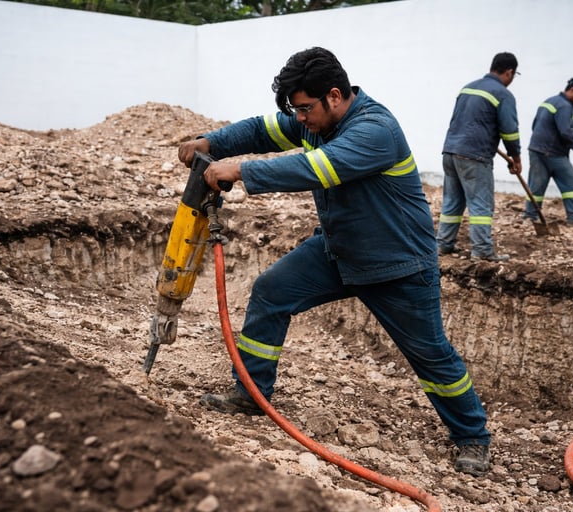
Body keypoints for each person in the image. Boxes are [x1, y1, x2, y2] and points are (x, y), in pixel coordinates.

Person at [177, 47, 492, 477]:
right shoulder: (315, 119)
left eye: (305, 109)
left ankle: (472, 436)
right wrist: (212, 142)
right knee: (271, 292)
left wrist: (243, 172)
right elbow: (262, 129)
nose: (299, 118)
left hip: (397, 265)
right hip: (338, 250)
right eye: (296, 109)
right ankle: (251, 393)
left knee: (430, 355)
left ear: (335, 95)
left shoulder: (376, 130)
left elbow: (319, 169)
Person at [437, 52, 522, 262]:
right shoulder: (503, 94)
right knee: (481, 204)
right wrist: (516, 158)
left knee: (452, 202)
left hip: (450, 151)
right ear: (510, 72)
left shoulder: (468, 87)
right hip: (475, 155)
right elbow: (510, 131)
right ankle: (482, 250)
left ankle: (443, 245)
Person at [523, 76, 573, 226]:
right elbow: (566, 131)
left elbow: (535, 124)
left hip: (536, 149)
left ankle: (530, 217)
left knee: (536, 185)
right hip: (552, 152)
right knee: (571, 182)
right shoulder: (565, 106)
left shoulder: (550, 101)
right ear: (572, 90)